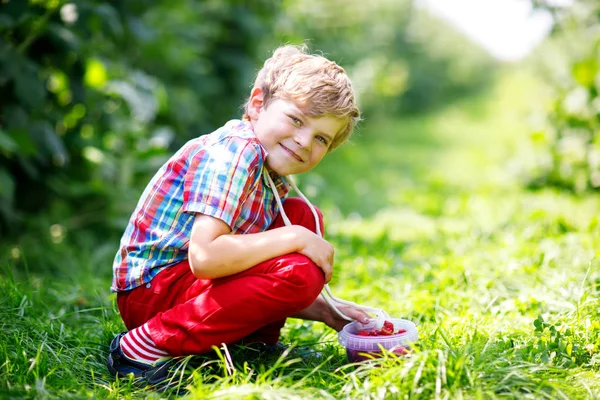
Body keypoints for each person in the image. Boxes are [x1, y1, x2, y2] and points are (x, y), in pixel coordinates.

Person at [107, 44, 370, 384]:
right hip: (152, 293)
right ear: (258, 104)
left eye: (321, 137)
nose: (305, 141)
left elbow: (253, 278)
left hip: (183, 286)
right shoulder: (235, 152)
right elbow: (205, 258)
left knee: (302, 215)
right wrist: (295, 238)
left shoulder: (271, 172)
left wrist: (328, 311)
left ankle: (254, 343)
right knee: (300, 262)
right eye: (295, 119)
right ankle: (141, 347)